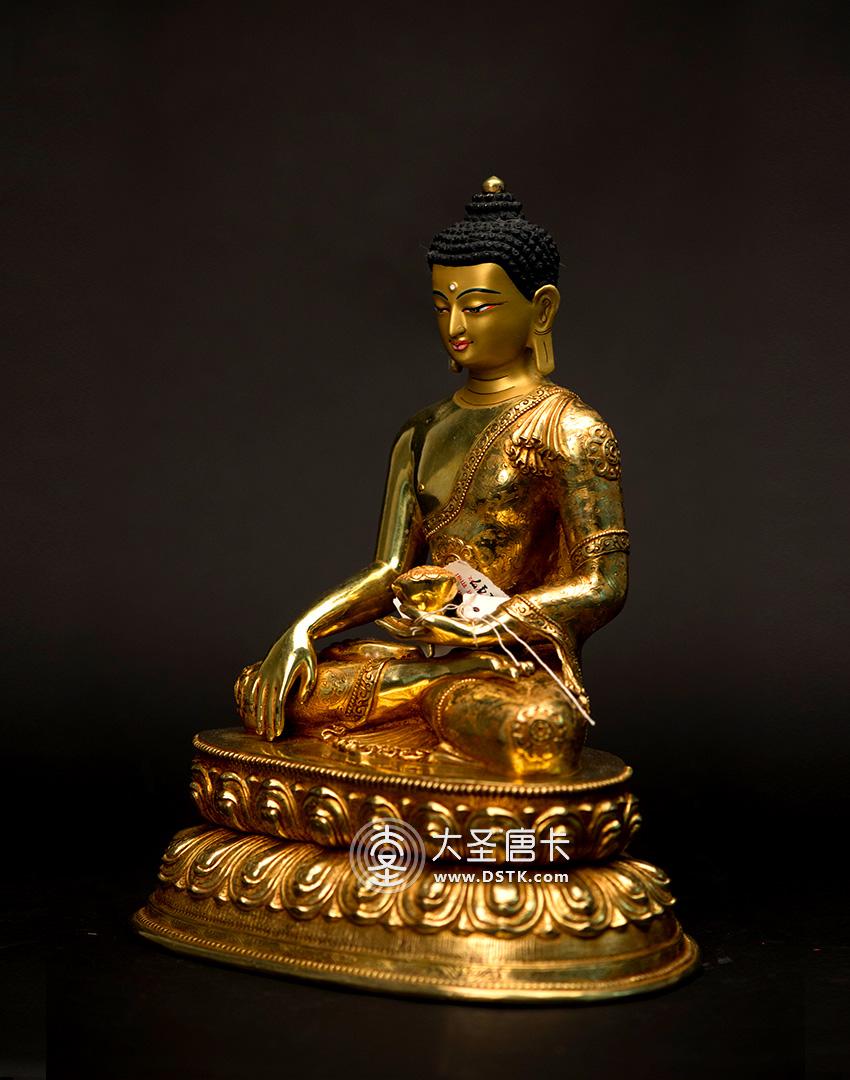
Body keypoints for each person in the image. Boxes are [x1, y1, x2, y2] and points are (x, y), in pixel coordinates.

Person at [235, 178, 629, 776]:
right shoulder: (420, 432)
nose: (455, 324)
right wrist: (301, 630)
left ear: (542, 308)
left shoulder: (569, 429)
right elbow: (391, 569)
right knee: (263, 687)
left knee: (536, 731)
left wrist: (486, 626)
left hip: (512, 664)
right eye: (442, 305)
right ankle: (425, 687)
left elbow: (603, 584)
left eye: (478, 305)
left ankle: (431, 692)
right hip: (425, 652)